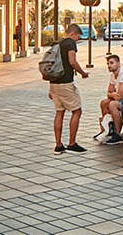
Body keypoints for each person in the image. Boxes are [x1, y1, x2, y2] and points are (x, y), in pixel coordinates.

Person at [49, 24, 88, 154]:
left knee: (59, 112)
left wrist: (51, 88)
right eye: (78, 36)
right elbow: (72, 61)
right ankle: (72, 143)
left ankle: (58, 145)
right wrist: (83, 73)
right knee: (76, 111)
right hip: (65, 83)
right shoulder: (70, 43)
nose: (77, 39)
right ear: (74, 33)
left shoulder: (57, 43)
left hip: (54, 82)